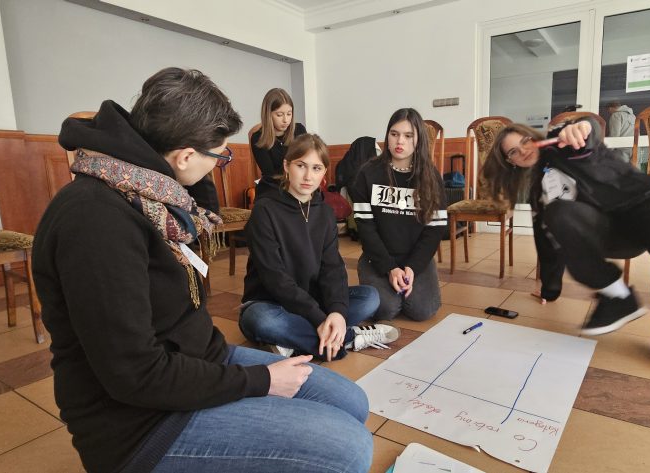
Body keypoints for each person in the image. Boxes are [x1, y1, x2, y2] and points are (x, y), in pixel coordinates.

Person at [34, 67, 372, 473]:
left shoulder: (154, 193)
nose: (218, 166)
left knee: (353, 402)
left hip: (200, 362)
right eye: (220, 156)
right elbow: (136, 375)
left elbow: (201, 224)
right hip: (142, 424)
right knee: (351, 448)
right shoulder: (95, 219)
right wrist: (261, 381)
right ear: (185, 156)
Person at [481, 117, 650, 378]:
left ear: (534, 137)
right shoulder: (538, 195)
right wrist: (549, 288)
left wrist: (581, 128)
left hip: (645, 205)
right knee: (557, 214)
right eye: (513, 151)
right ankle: (617, 297)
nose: (523, 150)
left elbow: (587, 131)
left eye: (525, 141)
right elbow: (546, 243)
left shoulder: (563, 144)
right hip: (610, 234)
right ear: (510, 162)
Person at [239, 133, 399, 360]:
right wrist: (320, 318)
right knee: (260, 320)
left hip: (314, 300)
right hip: (270, 302)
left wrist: (337, 312)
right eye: (300, 166)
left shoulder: (324, 212)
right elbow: (275, 278)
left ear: (324, 172)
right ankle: (347, 338)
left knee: (370, 297)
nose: (308, 176)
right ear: (286, 166)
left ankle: (294, 342)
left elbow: (332, 268)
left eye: (316, 168)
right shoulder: (264, 210)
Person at [350, 108, 447, 322]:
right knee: (385, 310)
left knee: (423, 311)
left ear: (418, 140)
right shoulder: (368, 174)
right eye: (394, 134)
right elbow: (365, 228)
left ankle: (408, 284)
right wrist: (389, 268)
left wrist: (413, 267)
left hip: (416, 258)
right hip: (378, 258)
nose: (399, 141)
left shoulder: (431, 177)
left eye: (408, 135)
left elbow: (435, 228)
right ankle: (381, 283)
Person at [251, 88, 307, 179]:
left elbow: (307, 162)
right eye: (279, 115)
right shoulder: (258, 138)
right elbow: (270, 175)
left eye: (289, 114)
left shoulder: (300, 130)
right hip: (275, 184)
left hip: (301, 181)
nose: (286, 120)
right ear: (268, 114)